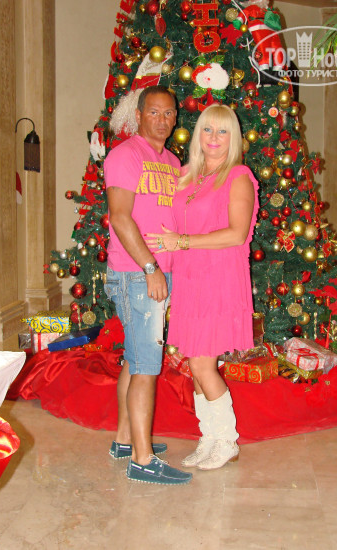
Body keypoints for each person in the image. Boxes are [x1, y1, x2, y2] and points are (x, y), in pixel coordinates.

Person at [145, 104, 259, 471]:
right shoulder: (186, 176)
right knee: (195, 363)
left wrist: (183, 241)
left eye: (222, 131)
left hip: (219, 278)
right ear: (198, 135)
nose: (214, 137)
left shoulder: (238, 176)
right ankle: (208, 437)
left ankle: (226, 440)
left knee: (202, 363)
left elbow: (236, 233)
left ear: (233, 138)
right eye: (208, 129)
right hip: (189, 277)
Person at [104, 85, 192, 485]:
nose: (162, 120)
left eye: (169, 113)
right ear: (138, 116)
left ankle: (125, 440)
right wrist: (150, 267)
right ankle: (142, 460)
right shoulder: (126, 155)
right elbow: (120, 217)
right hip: (136, 273)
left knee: (134, 357)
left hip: (161, 271)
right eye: (154, 112)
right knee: (145, 366)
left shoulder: (172, 162)